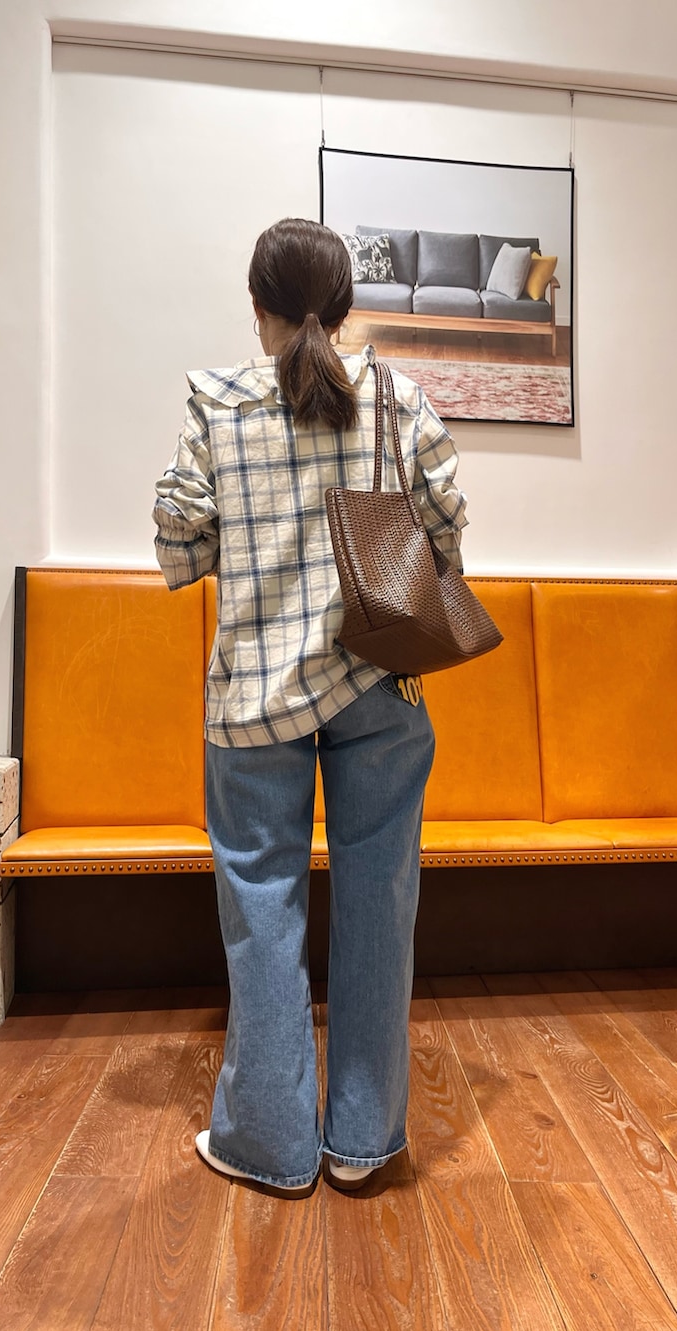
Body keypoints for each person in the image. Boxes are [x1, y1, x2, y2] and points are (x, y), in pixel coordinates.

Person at [152, 218, 468, 1197]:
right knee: (380, 906)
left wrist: (253, 539)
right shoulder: (399, 398)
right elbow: (447, 534)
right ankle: (363, 1142)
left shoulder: (216, 401)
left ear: (258, 307)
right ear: (345, 306)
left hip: (256, 696)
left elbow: (177, 549)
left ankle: (271, 1144)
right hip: (379, 686)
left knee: (262, 909)